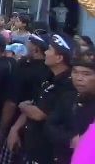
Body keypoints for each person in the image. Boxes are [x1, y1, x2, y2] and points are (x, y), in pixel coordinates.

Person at [7, 34, 75, 164]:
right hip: (31, 148)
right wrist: (15, 129)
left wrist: (23, 106)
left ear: (59, 58)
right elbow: (34, 104)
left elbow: (39, 114)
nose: (46, 52)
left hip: (48, 153)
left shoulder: (68, 85)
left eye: (49, 49)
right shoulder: (48, 77)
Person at [45, 53, 95, 163]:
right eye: (75, 72)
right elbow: (50, 125)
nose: (79, 78)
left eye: (86, 74)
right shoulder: (68, 97)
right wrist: (70, 139)